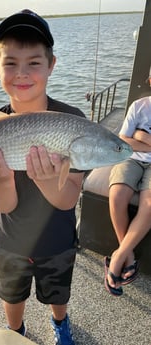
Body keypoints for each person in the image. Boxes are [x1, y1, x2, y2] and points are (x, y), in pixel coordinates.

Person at [0, 9, 85, 345]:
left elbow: (68, 199)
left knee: (58, 293)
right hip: (9, 239)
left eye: (34, 62)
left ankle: (60, 323)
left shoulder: (72, 122)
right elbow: (2, 204)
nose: (22, 73)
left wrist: (48, 179)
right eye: (10, 62)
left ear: (51, 65)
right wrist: (2, 180)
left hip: (57, 239)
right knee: (12, 294)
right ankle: (15, 332)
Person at [105, 70, 151, 296]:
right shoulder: (139, 106)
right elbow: (122, 140)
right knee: (117, 195)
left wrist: (143, 137)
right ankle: (128, 255)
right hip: (131, 158)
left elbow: (134, 138)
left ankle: (118, 257)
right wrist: (138, 139)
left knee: (150, 205)